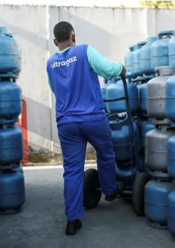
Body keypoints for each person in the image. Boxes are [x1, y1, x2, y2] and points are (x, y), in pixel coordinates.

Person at [46, 21, 126, 235]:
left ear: (56, 41)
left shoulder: (51, 62)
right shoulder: (84, 51)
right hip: (92, 118)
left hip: (66, 123)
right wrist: (121, 68)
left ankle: (73, 220)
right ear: (74, 37)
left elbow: (55, 89)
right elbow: (108, 70)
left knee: (72, 170)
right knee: (106, 152)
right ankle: (109, 191)